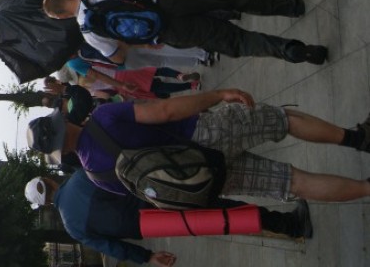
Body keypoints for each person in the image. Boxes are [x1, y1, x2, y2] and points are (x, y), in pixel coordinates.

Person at [27, 89, 370, 205]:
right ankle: (358, 139)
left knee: (293, 182)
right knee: (283, 120)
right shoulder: (103, 117)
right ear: (63, 121)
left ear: (61, 151)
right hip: (205, 134)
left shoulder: (95, 174)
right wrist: (217, 95)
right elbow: (165, 111)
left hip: (199, 177)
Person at [24, 172, 311, 267]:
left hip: (150, 225)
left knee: (220, 219)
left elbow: (112, 248)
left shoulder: (73, 228)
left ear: (45, 203)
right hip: (156, 197)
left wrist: (148, 257)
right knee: (220, 207)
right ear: (49, 181)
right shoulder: (80, 177)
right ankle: (291, 224)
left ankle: (288, 226)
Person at [42, 0, 328, 65]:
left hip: (167, 32)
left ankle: (294, 50)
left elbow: (118, 57)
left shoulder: (88, 34)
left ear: (61, 16)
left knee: (237, 41)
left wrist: (135, 39)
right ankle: (289, 6)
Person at [64, 56, 199, 100]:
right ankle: (179, 75)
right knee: (156, 70)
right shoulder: (84, 60)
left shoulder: (85, 87)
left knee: (158, 87)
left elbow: (105, 95)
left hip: (120, 83)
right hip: (123, 70)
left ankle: (190, 86)